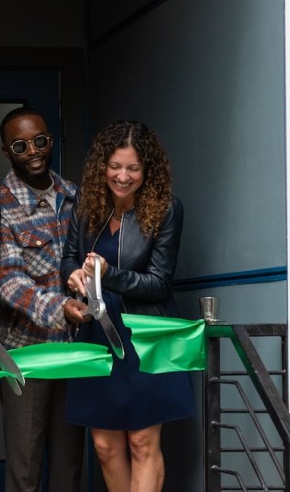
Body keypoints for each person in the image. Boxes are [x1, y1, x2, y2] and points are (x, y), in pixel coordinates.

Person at [61, 120, 195, 492]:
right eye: (115, 166)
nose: (122, 176)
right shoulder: (84, 204)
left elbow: (158, 283)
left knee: (141, 441)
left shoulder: (167, 209)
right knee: (104, 445)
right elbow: (69, 258)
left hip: (147, 333)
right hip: (97, 333)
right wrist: (74, 277)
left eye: (133, 168)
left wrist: (108, 274)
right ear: (102, 165)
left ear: (146, 169)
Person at [0, 107, 88, 492]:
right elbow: (7, 279)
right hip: (23, 355)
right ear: (6, 151)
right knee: (25, 469)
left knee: (68, 467)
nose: (33, 151)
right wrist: (58, 308)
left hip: (73, 352)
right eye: (20, 145)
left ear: (51, 140)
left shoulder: (74, 195)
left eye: (40, 141)